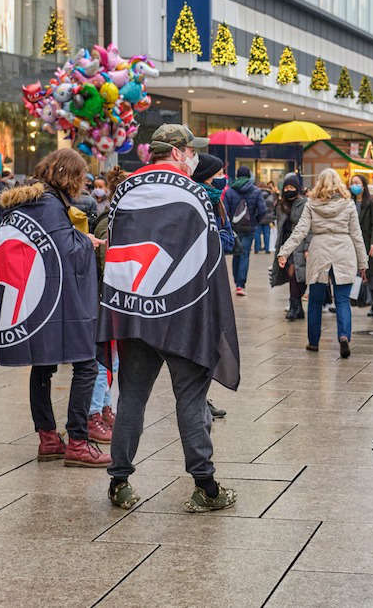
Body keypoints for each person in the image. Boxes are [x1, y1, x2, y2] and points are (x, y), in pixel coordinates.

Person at [100, 124, 240, 513]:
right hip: (183, 314)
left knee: (131, 398)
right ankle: (206, 487)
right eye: (191, 150)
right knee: (191, 400)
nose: (194, 156)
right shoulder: (195, 193)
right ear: (178, 152)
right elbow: (209, 260)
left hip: (133, 313)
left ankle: (120, 481)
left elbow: (113, 249)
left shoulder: (123, 191)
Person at [0, 149, 109, 467]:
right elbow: (65, 252)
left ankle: (48, 438)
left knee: (42, 364)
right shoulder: (49, 203)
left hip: (34, 297)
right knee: (86, 364)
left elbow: (49, 242)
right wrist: (86, 242)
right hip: (61, 300)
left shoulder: (26, 199)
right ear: (70, 177)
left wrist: (75, 236)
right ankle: (78, 442)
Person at [278, 169, 367, 358]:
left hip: (320, 251)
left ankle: (313, 342)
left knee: (315, 302)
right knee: (342, 300)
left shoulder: (312, 205)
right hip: (344, 250)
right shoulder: (348, 204)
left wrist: (284, 252)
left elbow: (300, 231)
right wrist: (363, 262)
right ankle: (343, 336)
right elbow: (357, 235)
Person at [87, 166, 130, 445]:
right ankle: (93, 414)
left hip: (112, 301)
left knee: (111, 359)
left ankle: (104, 407)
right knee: (103, 360)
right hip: (105, 301)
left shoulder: (122, 215)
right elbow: (108, 264)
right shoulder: (110, 219)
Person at [191, 153, 233, 421]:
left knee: (210, 341)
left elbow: (228, 239)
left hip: (213, 275)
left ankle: (201, 398)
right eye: (217, 174)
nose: (221, 179)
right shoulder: (195, 199)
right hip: (196, 283)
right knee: (201, 342)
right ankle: (197, 400)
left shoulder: (217, 201)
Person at [272, 173, 308, 321]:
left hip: (299, 244)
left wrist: (307, 247)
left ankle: (294, 306)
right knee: (292, 275)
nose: (289, 190)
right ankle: (296, 306)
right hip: (285, 244)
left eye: (292, 187)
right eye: (286, 187)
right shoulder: (281, 205)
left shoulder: (305, 203)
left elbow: (308, 227)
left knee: (297, 275)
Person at [223, 165, 265, 296]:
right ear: (249, 176)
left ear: (237, 175)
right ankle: (241, 285)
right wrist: (255, 222)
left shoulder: (230, 191)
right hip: (249, 228)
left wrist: (229, 224)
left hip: (234, 228)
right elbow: (262, 210)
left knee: (236, 253)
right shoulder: (256, 191)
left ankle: (237, 283)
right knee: (245, 254)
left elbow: (224, 211)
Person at [351, 174, 373, 316]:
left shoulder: (371, 203)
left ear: (363, 185)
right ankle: (354, 299)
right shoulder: (349, 202)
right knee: (352, 273)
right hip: (351, 244)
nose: (354, 185)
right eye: (352, 183)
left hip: (368, 243)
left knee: (371, 275)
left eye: (357, 183)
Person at [254, 182, 275, 254]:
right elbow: (273, 206)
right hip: (268, 217)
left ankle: (257, 249)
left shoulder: (256, 194)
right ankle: (267, 249)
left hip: (258, 217)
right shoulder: (270, 195)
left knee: (257, 234)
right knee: (267, 234)